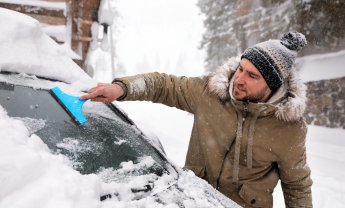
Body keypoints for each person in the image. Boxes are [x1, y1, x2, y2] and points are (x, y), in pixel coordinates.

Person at [80, 32, 313, 207]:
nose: (239, 79)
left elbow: (297, 185)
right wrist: (122, 88)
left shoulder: (288, 127)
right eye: (240, 68)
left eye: (252, 75)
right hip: (192, 199)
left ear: (272, 85)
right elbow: (164, 86)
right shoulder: (211, 92)